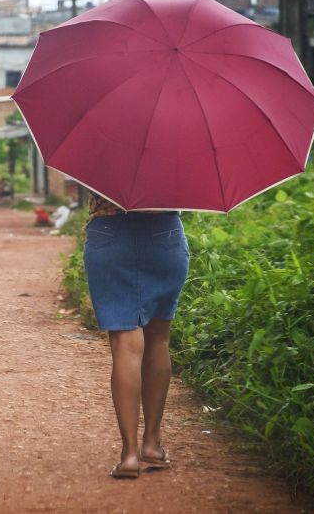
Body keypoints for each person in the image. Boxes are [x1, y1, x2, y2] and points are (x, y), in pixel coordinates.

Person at [83, 192, 189, 479]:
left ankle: (129, 455)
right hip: (163, 233)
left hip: (109, 231)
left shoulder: (96, 144)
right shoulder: (179, 146)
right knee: (158, 340)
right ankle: (152, 444)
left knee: (125, 345)